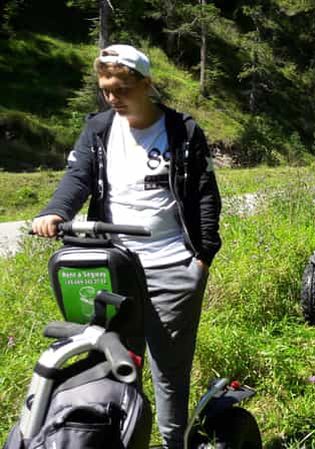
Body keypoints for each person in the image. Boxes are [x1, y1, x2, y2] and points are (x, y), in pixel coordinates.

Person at [31, 44, 221, 449]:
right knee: (115, 362)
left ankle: (172, 442)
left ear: (146, 84)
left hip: (172, 264)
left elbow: (206, 195)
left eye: (121, 89)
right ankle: (122, 438)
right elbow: (77, 177)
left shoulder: (182, 131)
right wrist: (55, 211)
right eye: (105, 89)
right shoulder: (98, 128)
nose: (112, 98)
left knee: (168, 370)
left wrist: (202, 257)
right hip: (114, 266)